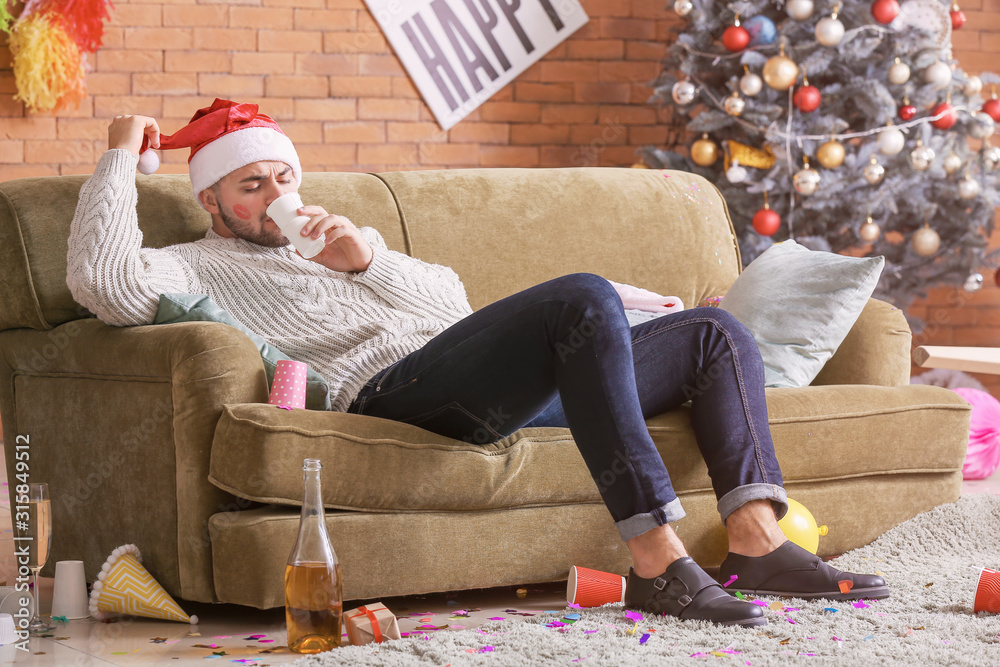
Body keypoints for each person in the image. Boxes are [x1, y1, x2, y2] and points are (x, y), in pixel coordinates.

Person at [67, 99, 888, 628]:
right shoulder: (191, 263)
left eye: (284, 174)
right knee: (582, 296)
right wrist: (114, 155)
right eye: (251, 184)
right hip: (394, 393)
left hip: (475, 375)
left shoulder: (347, 241)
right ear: (213, 201)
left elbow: (452, 309)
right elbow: (101, 282)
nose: (276, 192)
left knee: (713, 333)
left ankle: (755, 539)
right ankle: (657, 563)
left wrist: (363, 262)